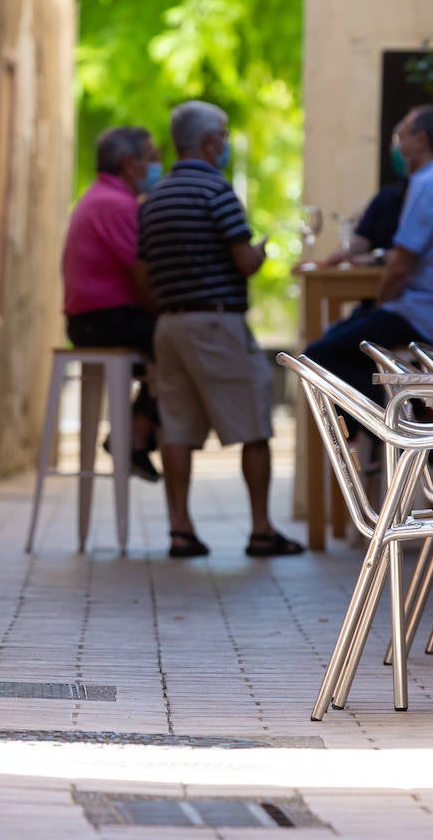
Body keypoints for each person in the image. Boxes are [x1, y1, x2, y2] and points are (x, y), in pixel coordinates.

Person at [136, 100, 304, 559]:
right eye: (225, 135)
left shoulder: (154, 200)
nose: (227, 144)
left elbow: (142, 270)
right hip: (217, 322)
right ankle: (262, 530)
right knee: (253, 424)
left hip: (169, 325)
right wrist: (263, 250)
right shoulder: (217, 191)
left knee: (177, 428)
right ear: (209, 142)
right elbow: (243, 262)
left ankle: (180, 530)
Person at [305, 105, 433, 402]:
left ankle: (401, 418)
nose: (397, 148)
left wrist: (379, 307)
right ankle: (407, 415)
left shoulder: (429, 183)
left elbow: (400, 267)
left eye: (401, 138)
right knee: (347, 337)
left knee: (318, 356)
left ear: (421, 139)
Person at [61, 126, 164, 482]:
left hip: (93, 319)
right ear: (128, 163)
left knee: (174, 344)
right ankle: (135, 434)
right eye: (151, 159)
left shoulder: (100, 198)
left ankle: (137, 431)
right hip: (103, 322)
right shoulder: (116, 204)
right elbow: (142, 275)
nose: (158, 166)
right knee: (182, 344)